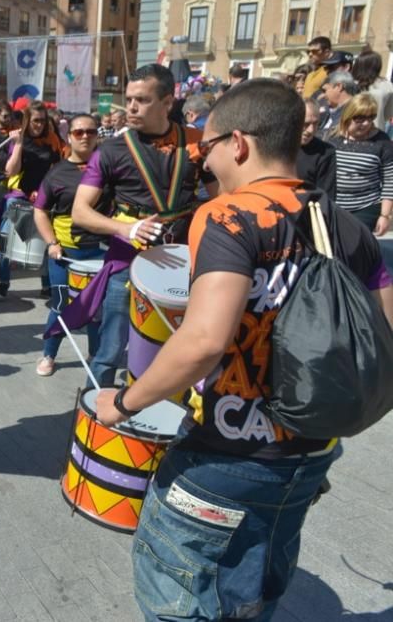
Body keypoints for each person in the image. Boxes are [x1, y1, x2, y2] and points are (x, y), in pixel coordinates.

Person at [94, 77, 393, 621]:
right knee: (251, 598)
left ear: (238, 143)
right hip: (309, 453)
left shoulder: (228, 215)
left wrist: (124, 404)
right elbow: (383, 334)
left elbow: (204, 341)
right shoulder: (349, 227)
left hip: (224, 455)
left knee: (177, 595)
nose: (204, 166)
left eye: (206, 150)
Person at [71, 64, 214, 386]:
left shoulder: (197, 143)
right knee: (110, 348)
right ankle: (94, 418)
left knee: (179, 343)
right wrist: (125, 229)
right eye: (129, 98)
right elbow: (80, 211)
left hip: (182, 258)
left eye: (142, 100)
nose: (131, 107)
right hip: (127, 257)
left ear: (168, 102)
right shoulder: (111, 150)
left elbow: (220, 200)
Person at [33, 114, 107, 377]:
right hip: (65, 255)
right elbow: (40, 210)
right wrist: (51, 243)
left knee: (97, 309)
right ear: (69, 137)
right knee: (61, 304)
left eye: (90, 131)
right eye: (78, 132)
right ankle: (49, 355)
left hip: (101, 253)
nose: (85, 136)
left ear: (98, 135)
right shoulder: (57, 172)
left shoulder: (110, 168)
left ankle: (96, 356)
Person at [0, 101, 68, 300]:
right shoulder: (19, 139)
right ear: (28, 121)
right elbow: (11, 170)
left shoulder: (52, 139)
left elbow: (59, 167)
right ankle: (3, 283)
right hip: (20, 196)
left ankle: (46, 283)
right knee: (5, 238)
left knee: (48, 242)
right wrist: (18, 144)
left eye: (43, 121)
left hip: (44, 198)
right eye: (36, 120)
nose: (39, 125)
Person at [330, 93, 393, 234]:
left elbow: (390, 179)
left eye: (371, 117)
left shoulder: (382, 141)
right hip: (332, 203)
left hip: (366, 206)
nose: (366, 123)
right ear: (348, 116)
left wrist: (385, 215)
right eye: (360, 118)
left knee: (352, 243)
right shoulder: (330, 137)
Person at [297, 100, 337, 201]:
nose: (311, 130)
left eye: (315, 124)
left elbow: (326, 196)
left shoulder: (325, 152)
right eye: (305, 124)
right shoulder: (277, 147)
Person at [352, 47, 393, 133]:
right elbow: (388, 114)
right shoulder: (387, 85)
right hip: (376, 130)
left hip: (351, 129)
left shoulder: (350, 83)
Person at [318, 71, 357, 138]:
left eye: (325, 90)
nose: (323, 95)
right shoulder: (330, 109)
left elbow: (330, 138)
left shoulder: (353, 112)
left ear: (339, 87)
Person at [302, 36, 333, 101]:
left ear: (327, 52)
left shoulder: (331, 72)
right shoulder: (310, 74)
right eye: (308, 52)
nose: (310, 54)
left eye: (314, 51)